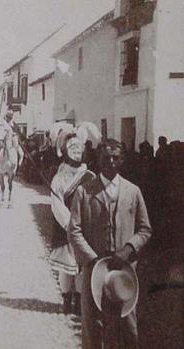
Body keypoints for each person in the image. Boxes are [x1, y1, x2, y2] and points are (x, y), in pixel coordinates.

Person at [68, 138, 152, 349]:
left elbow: (145, 229)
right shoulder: (84, 192)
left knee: (127, 325)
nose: (111, 162)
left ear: (122, 160)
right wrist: (93, 259)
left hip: (123, 273)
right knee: (93, 326)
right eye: (106, 158)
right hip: (93, 270)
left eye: (116, 158)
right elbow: (74, 231)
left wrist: (129, 248)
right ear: (98, 159)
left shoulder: (133, 192)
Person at [49, 135, 95, 315]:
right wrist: (70, 224)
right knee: (66, 266)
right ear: (66, 152)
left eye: (79, 148)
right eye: (72, 148)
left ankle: (79, 299)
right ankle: (66, 300)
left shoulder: (90, 176)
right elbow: (56, 203)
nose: (76, 151)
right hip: (66, 228)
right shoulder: (59, 178)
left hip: (86, 229)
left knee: (82, 267)